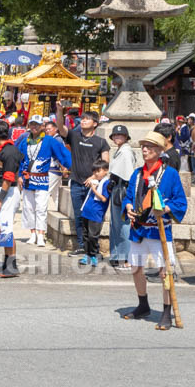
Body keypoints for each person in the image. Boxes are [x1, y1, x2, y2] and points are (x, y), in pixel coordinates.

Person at [120, 131, 188, 331]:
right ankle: (143, 304)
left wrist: (166, 208)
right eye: (143, 146)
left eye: (150, 147)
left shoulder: (170, 174)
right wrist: (129, 207)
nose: (145, 149)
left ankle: (167, 311)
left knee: (164, 270)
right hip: (139, 228)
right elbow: (128, 197)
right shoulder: (137, 173)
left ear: (159, 151)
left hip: (159, 229)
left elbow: (180, 201)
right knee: (136, 267)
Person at [58, 109, 110, 256]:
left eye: (87, 119)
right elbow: (60, 127)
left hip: (93, 186)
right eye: (82, 119)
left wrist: (94, 178)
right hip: (76, 182)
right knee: (79, 215)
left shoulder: (101, 142)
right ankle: (81, 245)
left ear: (95, 124)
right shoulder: (74, 135)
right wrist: (59, 110)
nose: (83, 121)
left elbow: (105, 164)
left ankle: (93, 247)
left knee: (93, 216)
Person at [16, 115, 69, 247]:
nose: (34, 127)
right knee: (28, 207)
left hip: (43, 179)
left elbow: (62, 153)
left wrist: (68, 165)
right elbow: (18, 159)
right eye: (32, 124)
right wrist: (18, 176)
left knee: (41, 207)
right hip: (28, 179)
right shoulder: (25, 141)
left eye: (37, 125)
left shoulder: (50, 141)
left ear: (42, 127)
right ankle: (32, 233)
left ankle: (41, 234)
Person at [0, 119, 24, 278]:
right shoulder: (4, 149)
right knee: (4, 229)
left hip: (7, 192)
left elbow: (8, 178)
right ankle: (8, 263)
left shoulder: (8, 151)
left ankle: (11, 267)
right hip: (5, 190)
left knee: (5, 228)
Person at [107, 125, 138, 268]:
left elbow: (128, 174)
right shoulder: (120, 151)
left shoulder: (126, 152)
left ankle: (126, 256)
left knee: (123, 223)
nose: (117, 137)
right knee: (116, 223)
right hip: (116, 186)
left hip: (123, 188)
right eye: (115, 135)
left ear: (126, 137)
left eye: (120, 135)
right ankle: (117, 254)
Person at [79, 160, 110, 267]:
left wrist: (94, 189)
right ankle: (87, 254)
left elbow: (104, 199)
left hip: (96, 213)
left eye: (98, 171)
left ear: (105, 171)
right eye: (94, 171)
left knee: (93, 236)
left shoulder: (106, 183)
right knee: (86, 235)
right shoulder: (95, 181)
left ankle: (93, 254)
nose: (96, 174)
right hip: (87, 211)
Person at [43, 120, 69, 206]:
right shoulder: (54, 139)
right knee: (56, 194)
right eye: (46, 130)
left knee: (45, 191)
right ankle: (58, 209)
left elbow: (59, 156)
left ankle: (42, 212)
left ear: (55, 129)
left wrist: (63, 168)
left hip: (54, 169)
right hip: (54, 169)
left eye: (49, 129)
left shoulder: (57, 139)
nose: (47, 131)